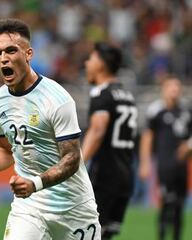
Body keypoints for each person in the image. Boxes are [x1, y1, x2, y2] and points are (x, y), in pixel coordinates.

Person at [0, 18, 101, 240]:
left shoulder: (57, 99)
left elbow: (71, 159)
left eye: (11, 51)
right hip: (29, 207)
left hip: (73, 208)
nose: (3, 59)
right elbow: (6, 150)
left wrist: (35, 183)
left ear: (28, 54)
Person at [82, 42, 137, 239]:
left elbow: (97, 131)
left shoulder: (101, 93)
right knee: (106, 234)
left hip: (104, 174)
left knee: (87, 230)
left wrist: (77, 164)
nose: (87, 63)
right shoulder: (127, 96)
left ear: (101, 65)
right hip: (126, 174)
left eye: (91, 59)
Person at [139, 77, 192, 240]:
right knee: (166, 204)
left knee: (179, 206)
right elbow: (147, 137)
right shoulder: (157, 111)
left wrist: (188, 147)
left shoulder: (186, 111)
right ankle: (161, 236)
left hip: (182, 167)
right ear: (164, 89)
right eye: (171, 86)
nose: (175, 90)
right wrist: (145, 163)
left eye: (177, 86)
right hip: (164, 166)